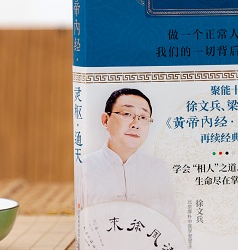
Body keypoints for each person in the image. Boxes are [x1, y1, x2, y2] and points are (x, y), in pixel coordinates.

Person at [76, 88, 180, 228]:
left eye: (143, 117)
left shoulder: (158, 168)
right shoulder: (84, 167)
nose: (135, 124)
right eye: (127, 114)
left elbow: (172, 228)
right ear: (105, 120)